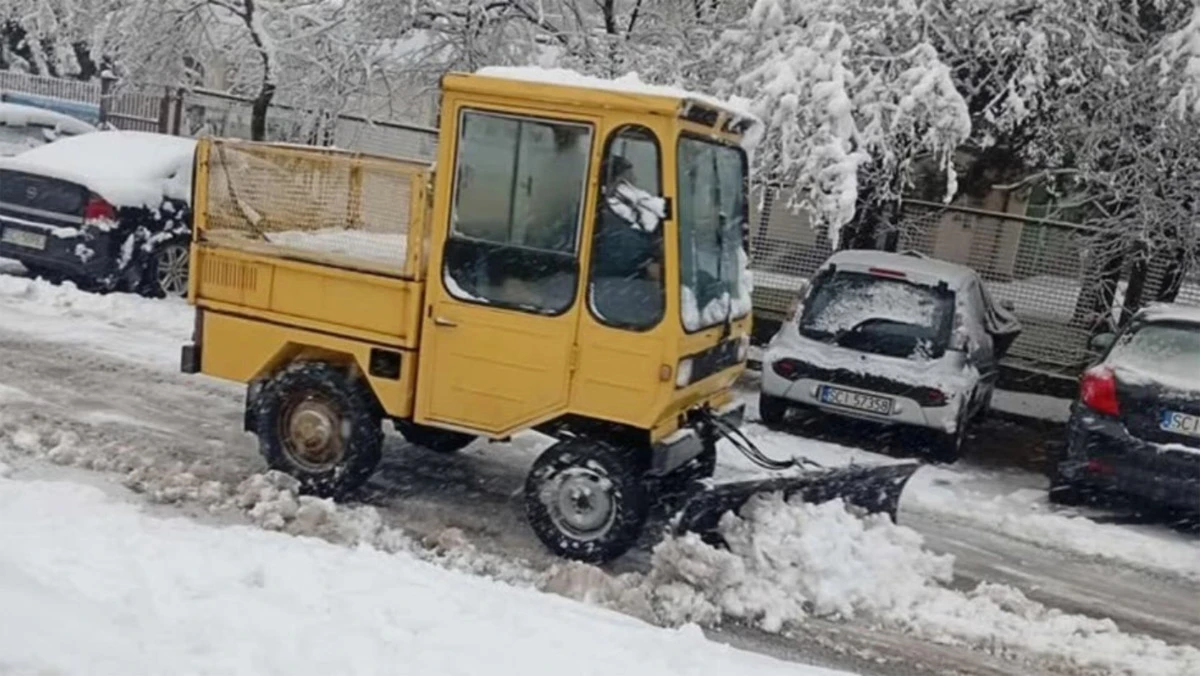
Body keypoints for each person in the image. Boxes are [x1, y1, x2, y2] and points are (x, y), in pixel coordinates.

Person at [590, 155, 664, 327]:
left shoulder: (634, 207)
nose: (634, 183)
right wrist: (647, 262)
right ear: (615, 182)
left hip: (632, 278)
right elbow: (620, 248)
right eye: (628, 180)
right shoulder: (602, 214)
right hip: (613, 288)